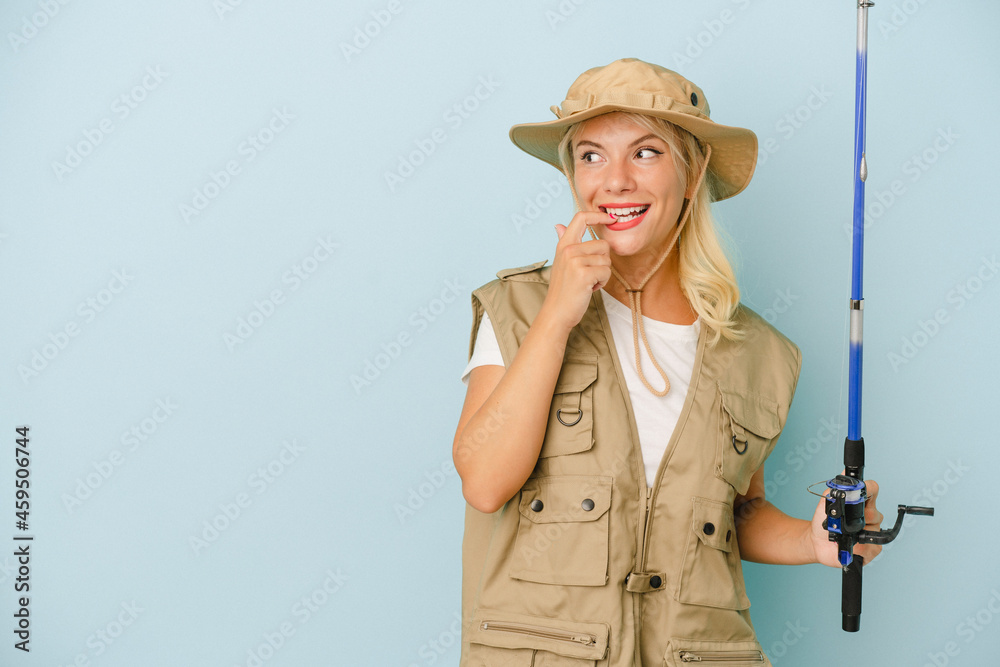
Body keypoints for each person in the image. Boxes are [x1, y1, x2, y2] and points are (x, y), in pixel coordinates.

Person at [452, 58, 883, 667]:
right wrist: (556, 318)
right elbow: (484, 482)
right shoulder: (518, 309)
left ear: (692, 171)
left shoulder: (759, 352)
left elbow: (736, 515)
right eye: (592, 156)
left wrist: (812, 541)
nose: (615, 181)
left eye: (646, 153)